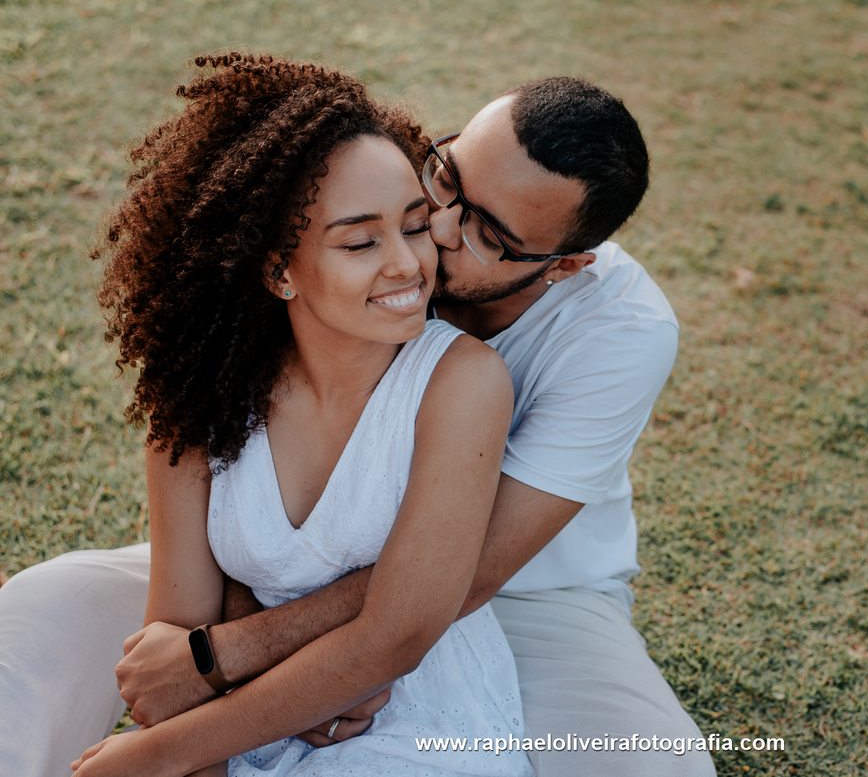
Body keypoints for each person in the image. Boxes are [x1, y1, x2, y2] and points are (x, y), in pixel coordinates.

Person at [0, 60, 716, 776]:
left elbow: (454, 584)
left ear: (562, 266)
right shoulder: (374, 223)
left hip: (526, 596)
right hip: (284, 567)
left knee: (660, 767)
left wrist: (230, 656)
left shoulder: (616, 332)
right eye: (445, 178)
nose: (433, 229)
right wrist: (234, 627)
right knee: (45, 608)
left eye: (485, 233)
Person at [70, 53, 534, 776]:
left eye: (415, 227)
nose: (408, 266)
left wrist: (147, 757)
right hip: (232, 711)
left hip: (408, 718)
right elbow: (176, 640)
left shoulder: (461, 381)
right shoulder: (202, 387)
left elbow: (397, 638)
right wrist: (187, 753)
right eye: (359, 241)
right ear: (278, 269)